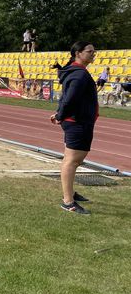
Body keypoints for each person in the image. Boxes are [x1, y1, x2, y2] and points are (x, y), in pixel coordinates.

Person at [50, 41, 98, 215]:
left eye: (94, 51)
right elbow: (70, 99)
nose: (93, 54)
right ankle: (68, 201)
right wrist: (61, 115)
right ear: (78, 53)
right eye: (90, 51)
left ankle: (68, 192)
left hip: (76, 121)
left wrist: (60, 114)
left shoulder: (76, 71)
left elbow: (68, 98)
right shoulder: (79, 74)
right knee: (73, 161)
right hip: (77, 122)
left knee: (71, 159)